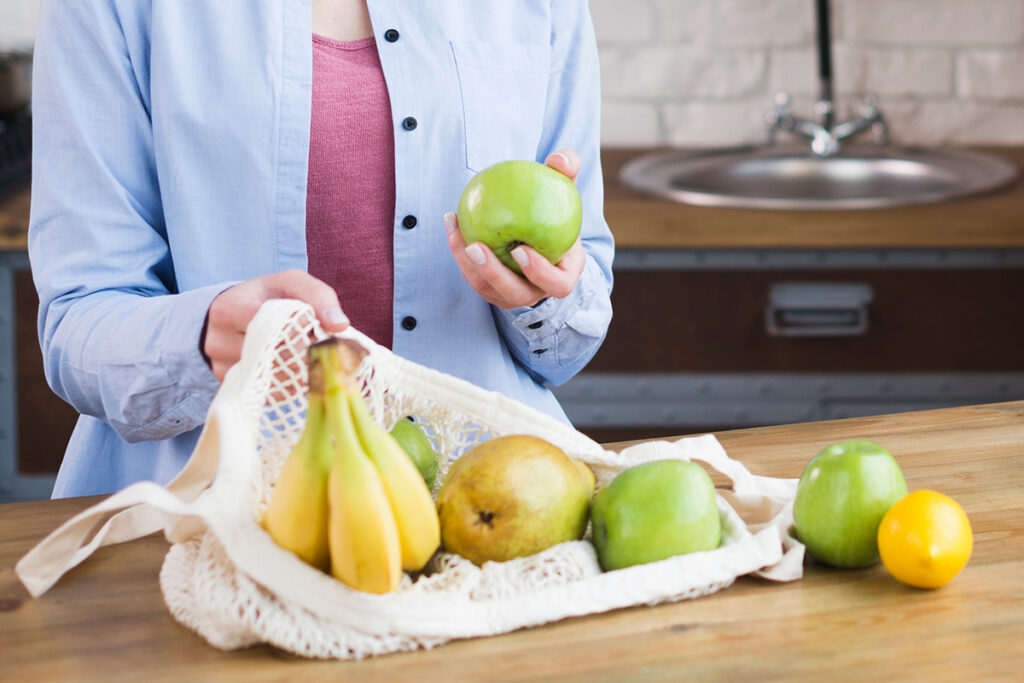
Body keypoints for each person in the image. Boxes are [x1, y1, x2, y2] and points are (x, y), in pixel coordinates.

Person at [28, 0, 614, 498]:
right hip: (205, 510)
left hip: (495, 500)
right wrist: (202, 337)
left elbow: (566, 348)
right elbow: (77, 323)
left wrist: (542, 297)